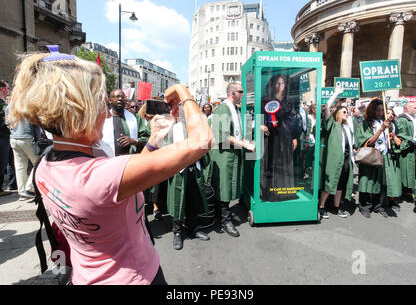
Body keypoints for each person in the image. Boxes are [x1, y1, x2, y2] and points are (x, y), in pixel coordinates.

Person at [8, 50, 213, 285]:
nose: (106, 112)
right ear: (79, 112)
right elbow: (202, 141)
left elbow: (125, 183)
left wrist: (154, 140)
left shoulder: (45, 165)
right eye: (100, 103)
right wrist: (185, 94)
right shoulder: (99, 175)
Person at [166, 105, 214, 250]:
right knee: (177, 202)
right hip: (179, 172)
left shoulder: (198, 129)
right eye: (184, 111)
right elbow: (167, 150)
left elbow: (205, 149)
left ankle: (194, 228)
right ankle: (177, 232)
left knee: (194, 200)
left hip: (195, 170)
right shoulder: (173, 129)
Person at [210, 82, 254, 238]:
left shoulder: (235, 108)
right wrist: (245, 145)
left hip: (232, 153)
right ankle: (224, 219)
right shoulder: (223, 108)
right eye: (241, 91)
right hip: (224, 154)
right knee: (224, 186)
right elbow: (222, 136)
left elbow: (237, 131)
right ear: (233, 93)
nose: (243, 94)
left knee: (228, 184)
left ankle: (222, 214)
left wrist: (248, 139)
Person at [260, 74, 298, 202]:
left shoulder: (288, 102)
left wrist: (294, 137)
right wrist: (260, 125)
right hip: (269, 137)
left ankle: (284, 191)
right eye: (277, 83)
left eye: (282, 83)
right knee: (270, 163)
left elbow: (293, 120)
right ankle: (268, 191)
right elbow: (257, 116)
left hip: (285, 137)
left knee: (284, 163)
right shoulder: (265, 100)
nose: (280, 85)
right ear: (272, 85)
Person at [318, 86, 353, 219]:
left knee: (340, 184)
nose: (346, 113)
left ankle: (336, 207)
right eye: (344, 112)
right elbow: (327, 107)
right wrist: (336, 94)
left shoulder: (347, 127)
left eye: (347, 111)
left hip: (345, 159)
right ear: (338, 113)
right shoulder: (332, 125)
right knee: (330, 182)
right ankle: (321, 207)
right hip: (334, 159)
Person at [355, 98, 392, 218]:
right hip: (370, 157)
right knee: (367, 181)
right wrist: (381, 129)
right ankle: (365, 206)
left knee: (381, 182)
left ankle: (378, 205)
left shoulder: (386, 122)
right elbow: (368, 141)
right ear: (372, 110)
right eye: (378, 110)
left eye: (382, 110)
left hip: (383, 156)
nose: (380, 112)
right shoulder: (367, 123)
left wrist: (390, 131)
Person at [5, 103, 40, 201]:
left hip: (14, 137)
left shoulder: (10, 105)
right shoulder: (29, 103)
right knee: (39, 163)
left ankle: (22, 192)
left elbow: (8, 124)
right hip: (28, 137)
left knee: (20, 167)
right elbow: (37, 122)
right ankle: (29, 189)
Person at [101, 89, 145, 156]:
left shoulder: (135, 118)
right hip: (107, 161)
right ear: (110, 100)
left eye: (123, 97)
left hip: (129, 162)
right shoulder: (102, 118)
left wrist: (135, 141)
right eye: (117, 96)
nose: (120, 99)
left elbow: (146, 139)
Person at [396, 102, 416, 202]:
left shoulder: (415, 118)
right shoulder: (402, 119)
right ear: (406, 108)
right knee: (404, 170)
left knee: (411, 170)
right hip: (407, 148)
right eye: (414, 107)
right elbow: (401, 134)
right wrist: (412, 140)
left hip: (415, 148)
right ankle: (402, 192)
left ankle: (407, 190)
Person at [384, 108, 403, 212]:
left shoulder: (394, 125)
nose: (390, 115)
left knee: (393, 179)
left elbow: (399, 141)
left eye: (392, 113)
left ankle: (392, 200)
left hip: (392, 154)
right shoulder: (380, 123)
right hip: (382, 153)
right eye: (388, 113)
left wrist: (393, 136)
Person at [0, 80, 12, 196]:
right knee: (2, 162)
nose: (8, 90)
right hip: (2, 136)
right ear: (1, 89)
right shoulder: (2, 104)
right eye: (7, 88)